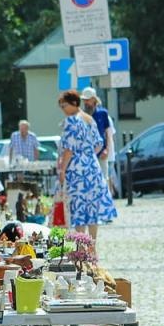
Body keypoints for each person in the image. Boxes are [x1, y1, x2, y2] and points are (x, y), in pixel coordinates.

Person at [56, 90, 119, 238]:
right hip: (92, 168)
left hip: (76, 171)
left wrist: (62, 170)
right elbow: (99, 144)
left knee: (79, 210)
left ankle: (81, 247)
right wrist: (87, 155)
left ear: (74, 103)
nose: (63, 110)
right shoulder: (89, 119)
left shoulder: (71, 121)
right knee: (92, 211)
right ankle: (92, 246)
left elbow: (69, 150)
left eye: (64, 106)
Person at [80, 87, 118, 196]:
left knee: (103, 180)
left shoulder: (103, 113)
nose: (85, 102)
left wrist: (107, 150)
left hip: (101, 154)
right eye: (84, 100)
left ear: (94, 99)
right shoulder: (81, 115)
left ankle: (104, 202)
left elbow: (108, 134)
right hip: (86, 154)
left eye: (88, 100)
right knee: (88, 181)